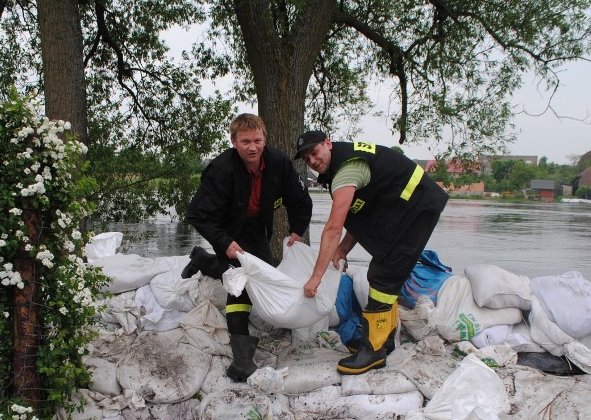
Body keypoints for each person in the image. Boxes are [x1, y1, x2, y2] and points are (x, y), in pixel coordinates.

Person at [295, 131, 448, 375]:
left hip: (417, 207)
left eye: (315, 152)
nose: (312, 160)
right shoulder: (341, 166)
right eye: (306, 157)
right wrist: (343, 250)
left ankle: (373, 350)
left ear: (328, 144)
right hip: (405, 209)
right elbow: (360, 213)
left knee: (384, 274)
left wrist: (316, 278)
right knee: (385, 273)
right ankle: (384, 341)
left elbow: (333, 228)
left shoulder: (346, 171)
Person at [183, 114, 313, 381]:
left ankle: (203, 260)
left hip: (256, 228)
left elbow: (300, 200)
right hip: (226, 228)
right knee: (240, 284)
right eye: (245, 142)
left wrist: (297, 230)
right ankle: (242, 360)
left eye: (257, 140)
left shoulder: (278, 163)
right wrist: (224, 243)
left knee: (260, 275)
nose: (252, 147)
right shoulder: (221, 169)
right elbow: (197, 214)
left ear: (265, 140)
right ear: (233, 142)